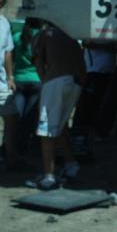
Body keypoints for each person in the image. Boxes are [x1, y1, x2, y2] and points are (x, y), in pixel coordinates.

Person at [28, 20, 86, 190]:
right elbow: (82, 65)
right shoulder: (73, 36)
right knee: (60, 126)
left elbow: (38, 63)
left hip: (55, 80)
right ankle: (71, 164)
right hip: (75, 82)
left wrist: (46, 82)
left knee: (46, 130)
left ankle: (49, 176)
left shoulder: (43, 35)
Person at [11, 18, 42, 157]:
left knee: (18, 116)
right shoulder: (41, 38)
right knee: (30, 117)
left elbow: (10, 58)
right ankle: (25, 148)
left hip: (19, 81)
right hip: (37, 81)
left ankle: (13, 147)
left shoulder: (17, 37)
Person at [0, 0, 17, 169]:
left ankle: (10, 157)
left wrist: (11, 76)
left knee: (12, 118)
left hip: (2, 82)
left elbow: (8, 52)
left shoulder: (4, 23)